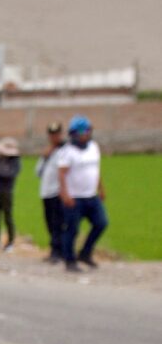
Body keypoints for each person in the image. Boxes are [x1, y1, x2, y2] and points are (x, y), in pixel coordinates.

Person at [58, 115, 106, 272]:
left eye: (87, 130)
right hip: (74, 197)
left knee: (101, 223)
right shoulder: (67, 151)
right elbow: (62, 174)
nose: (85, 134)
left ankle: (85, 253)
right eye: (81, 131)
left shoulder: (94, 147)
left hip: (91, 196)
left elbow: (96, 170)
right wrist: (65, 194)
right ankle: (69, 260)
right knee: (72, 230)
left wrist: (101, 188)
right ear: (73, 133)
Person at [35, 122, 68, 263]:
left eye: (56, 134)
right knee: (49, 223)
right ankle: (55, 250)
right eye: (51, 135)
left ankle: (58, 251)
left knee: (57, 223)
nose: (54, 137)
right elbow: (37, 172)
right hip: (46, 192)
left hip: (58, 192)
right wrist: (45, 157)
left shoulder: (66, 150)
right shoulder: (48, 152)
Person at [0, 137, 22, 251]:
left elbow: (10, 174)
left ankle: (10, 241)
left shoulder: (15, 161)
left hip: (6, 191)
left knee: (7, 216)